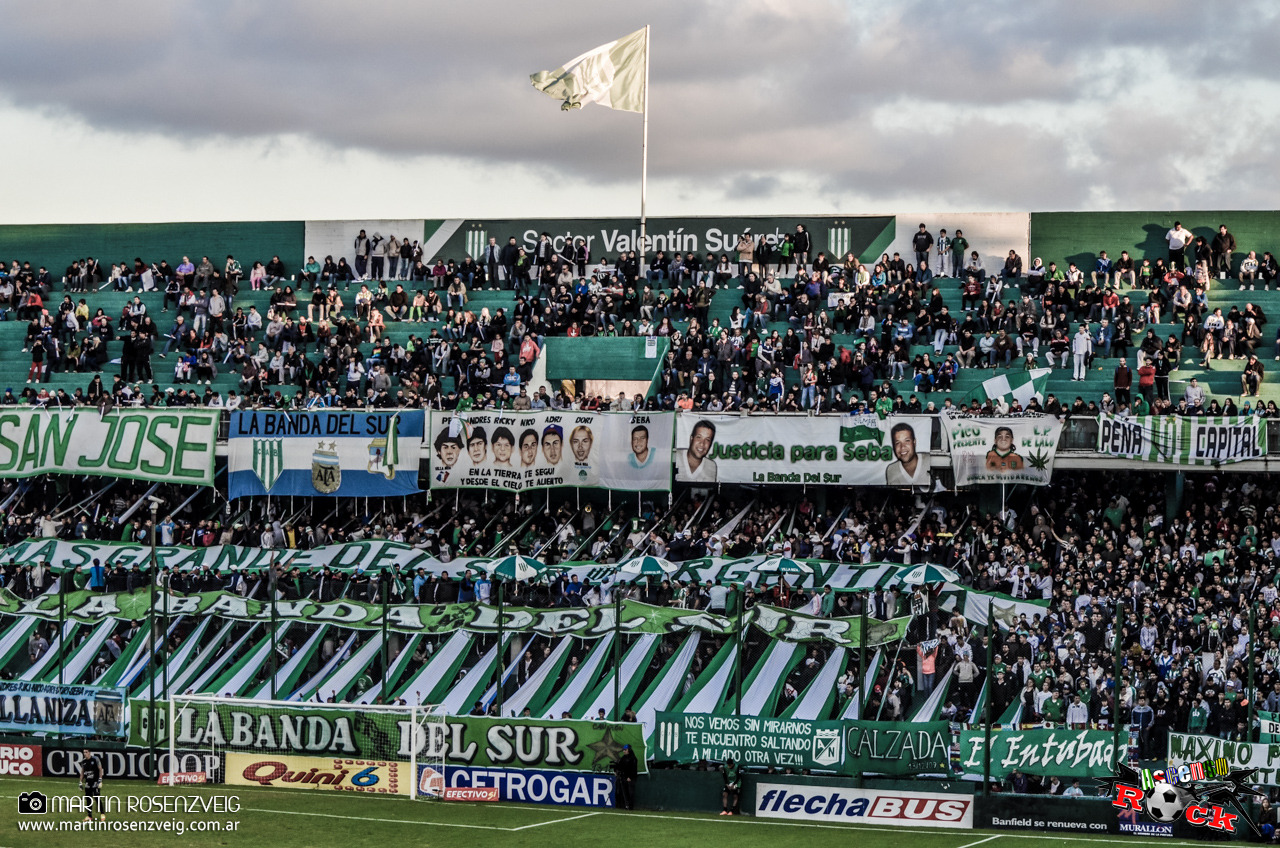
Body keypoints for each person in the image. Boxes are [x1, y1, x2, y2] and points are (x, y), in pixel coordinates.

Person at [885, 421, 929, 486]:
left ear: (914, 442)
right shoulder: (891, 470)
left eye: (907, 441)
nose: (902, 447)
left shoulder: (928, 460)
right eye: (898, 443)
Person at [79, 747, 105, 821]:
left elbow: (100, 769)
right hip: (88, 782)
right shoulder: (83, 762)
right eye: (84, 752)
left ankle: (102, 814)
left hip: (95, 782)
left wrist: (100, 780)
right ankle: (89, 816)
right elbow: (82, 772)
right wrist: (80, 783)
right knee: (88, 799)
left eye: (86, 752)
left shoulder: (95, 759)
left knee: (97, 798)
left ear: (90, 752)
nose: (85, 754)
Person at [614, 744, 638, 810]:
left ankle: (630, 805)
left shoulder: (633, 758)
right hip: (624, 777)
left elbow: (634, 769)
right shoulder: (623, 758)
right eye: (623, 750)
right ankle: (625, 805)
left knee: (631, 792)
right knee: (624, 792)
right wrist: (616, 770)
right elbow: (620, 766)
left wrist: (630, 777)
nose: (624, 751)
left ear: (629, 750)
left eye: (625, 750)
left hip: (631, 778)